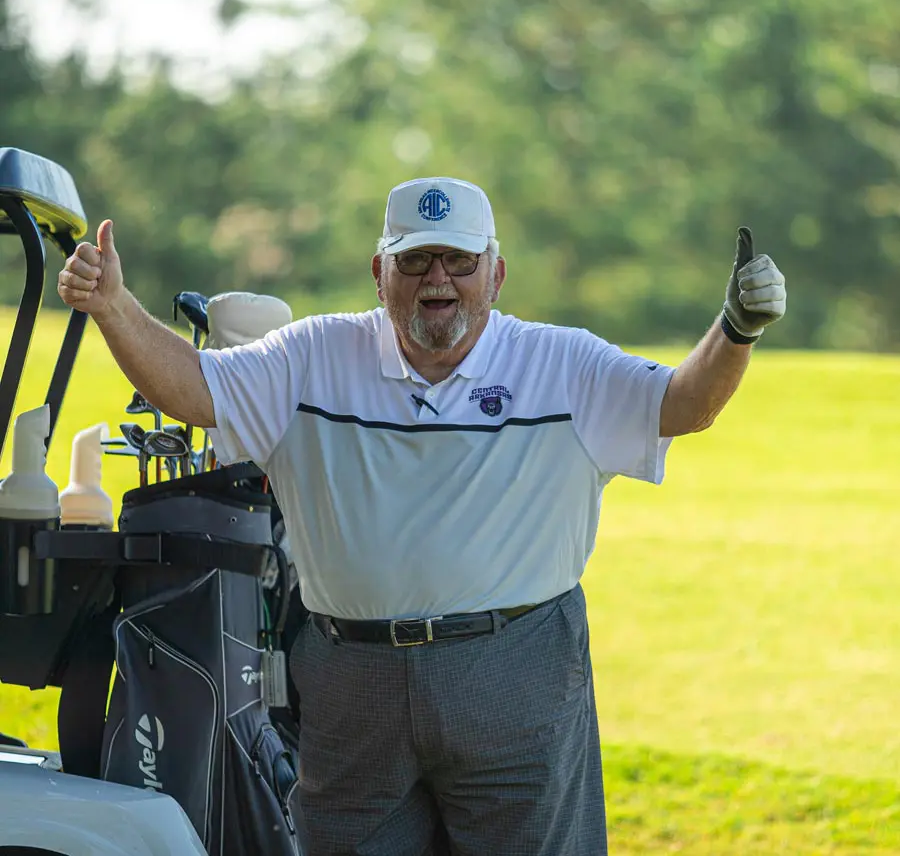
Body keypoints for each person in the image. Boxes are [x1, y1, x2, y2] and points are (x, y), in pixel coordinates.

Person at [57, 176, 787, 856]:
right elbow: (193, 390)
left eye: (459, 261)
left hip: (515, 672)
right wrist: (114, 306)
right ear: (380, 273)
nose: (437, 279)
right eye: (415, 262)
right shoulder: (314, 354)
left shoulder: (562, 363)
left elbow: (683, 405)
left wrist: (736, 328)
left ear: (495, 274)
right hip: (352, 682)